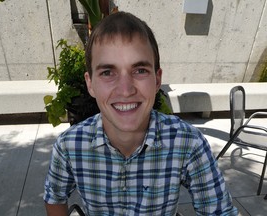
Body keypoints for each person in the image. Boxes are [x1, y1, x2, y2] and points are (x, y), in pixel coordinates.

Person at [44, 11, 238, 216]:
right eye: (108, 72)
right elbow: (54, 196)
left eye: (140, 70)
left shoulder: (188, 143)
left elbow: (220, 211)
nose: (126, 90)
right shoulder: (69, 146)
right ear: (90, 84)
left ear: (157, 79)